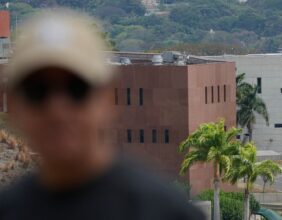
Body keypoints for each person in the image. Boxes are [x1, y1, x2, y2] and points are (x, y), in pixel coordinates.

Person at [0, 10, 204, 220]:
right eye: (38, 91)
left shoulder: (166, 213)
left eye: (77, 89)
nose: (57, 110)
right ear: (14, 105)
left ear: (106, 99)